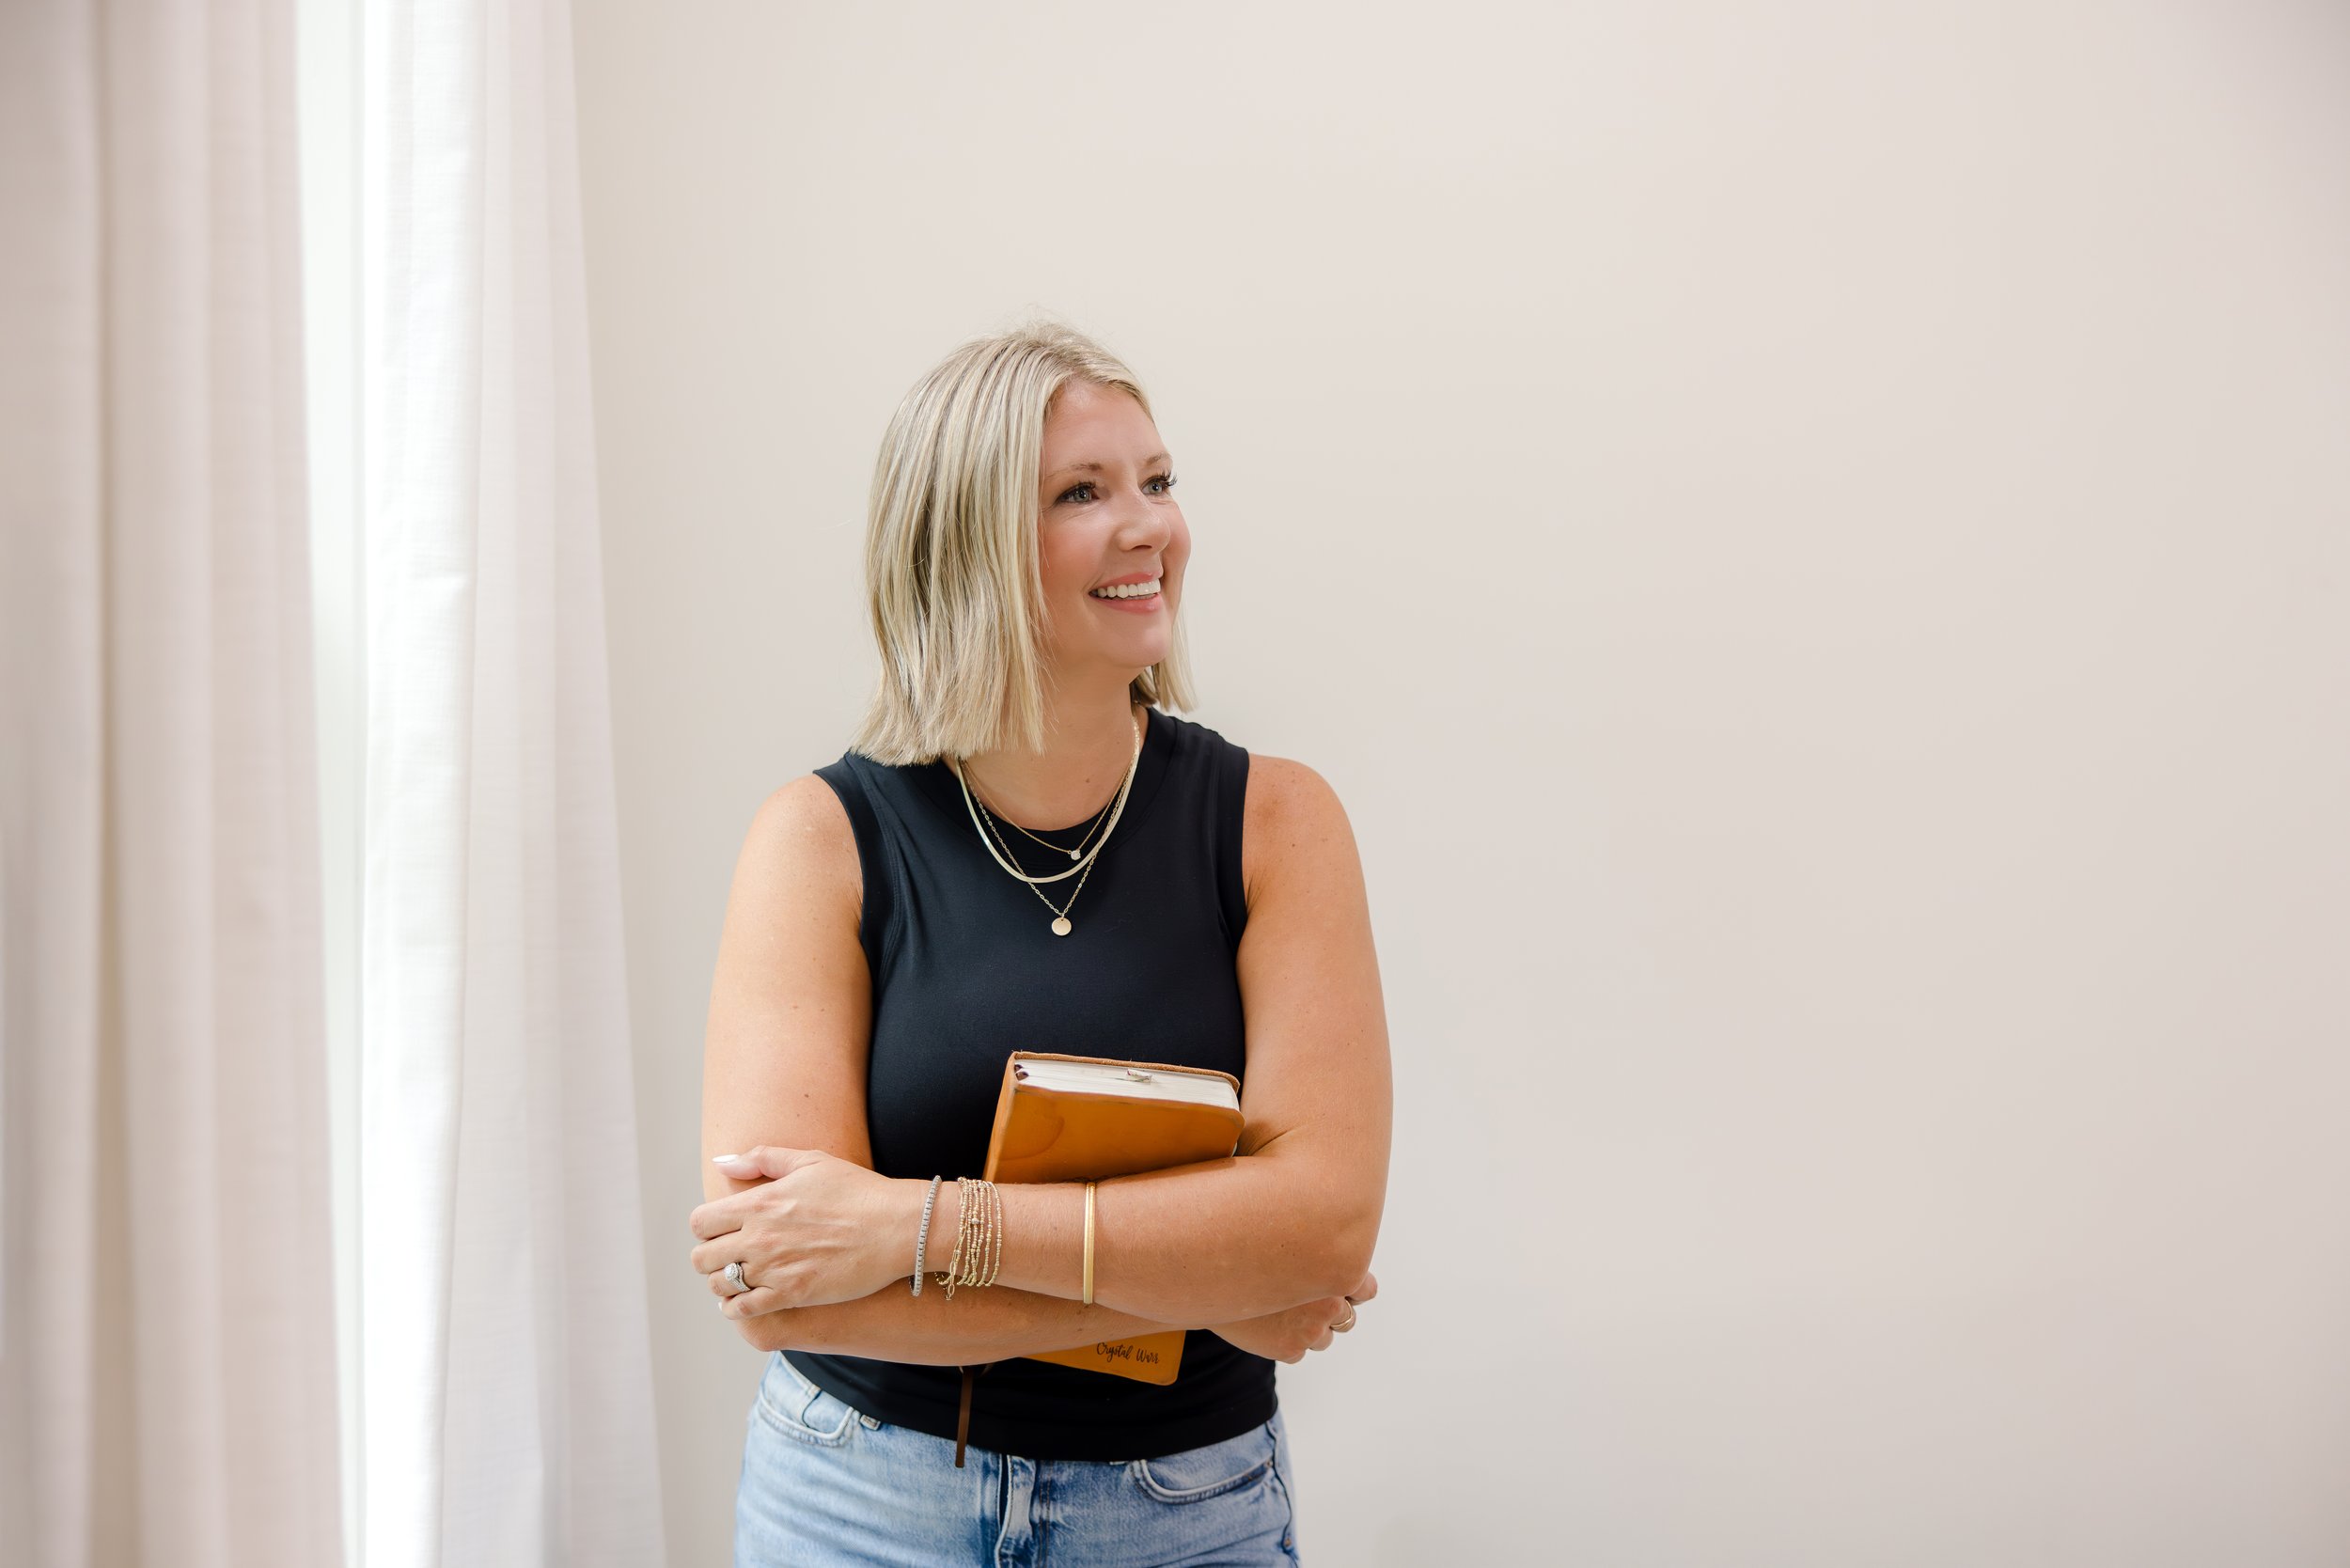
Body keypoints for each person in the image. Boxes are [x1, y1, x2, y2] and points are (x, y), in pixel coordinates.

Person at [688, 321, 1392, 1566]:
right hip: (858, 1506)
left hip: (1184, 1513)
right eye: (1083, 492)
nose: (1149, 526)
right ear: (966, 543)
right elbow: (779, 1289)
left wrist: (909, 1230)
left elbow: (1324, 1229)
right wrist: (1210, 1280)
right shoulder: (819, 839)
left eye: (1157, 481)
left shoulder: (1277, 824)